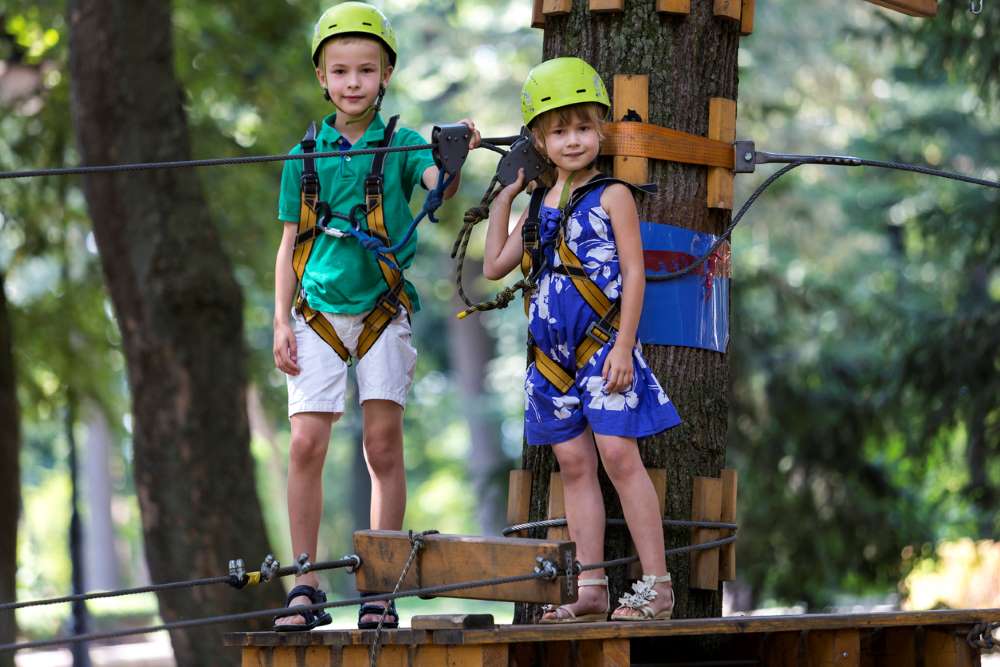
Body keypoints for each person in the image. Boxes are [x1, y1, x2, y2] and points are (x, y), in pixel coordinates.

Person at [272, 1, 478, 631]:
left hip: (382, 311)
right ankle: (303, 583)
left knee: (382, 443)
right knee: (307, 443)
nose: (353, 82)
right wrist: (279, 320)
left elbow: (432, 182)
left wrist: (450, 157)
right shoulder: (303, 156)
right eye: (340, 71)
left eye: (366, 69)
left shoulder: (402, 142)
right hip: (317, 313)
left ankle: (378, 584)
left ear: (386, 74)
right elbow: (288, 246)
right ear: (322, 79)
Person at [481, 57, 682, 622]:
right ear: (540, 142)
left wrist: (623, 346)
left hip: (602, 347)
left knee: (619, 455)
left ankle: (657, 586)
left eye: (584, 127)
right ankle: (591, 587)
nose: (574, 140)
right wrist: (503, 199)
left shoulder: (613, 194)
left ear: (601, 129)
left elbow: (636, 274)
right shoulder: (539, 203)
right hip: (550, 358)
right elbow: (496, 264)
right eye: (560, 131)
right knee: (573, 464)